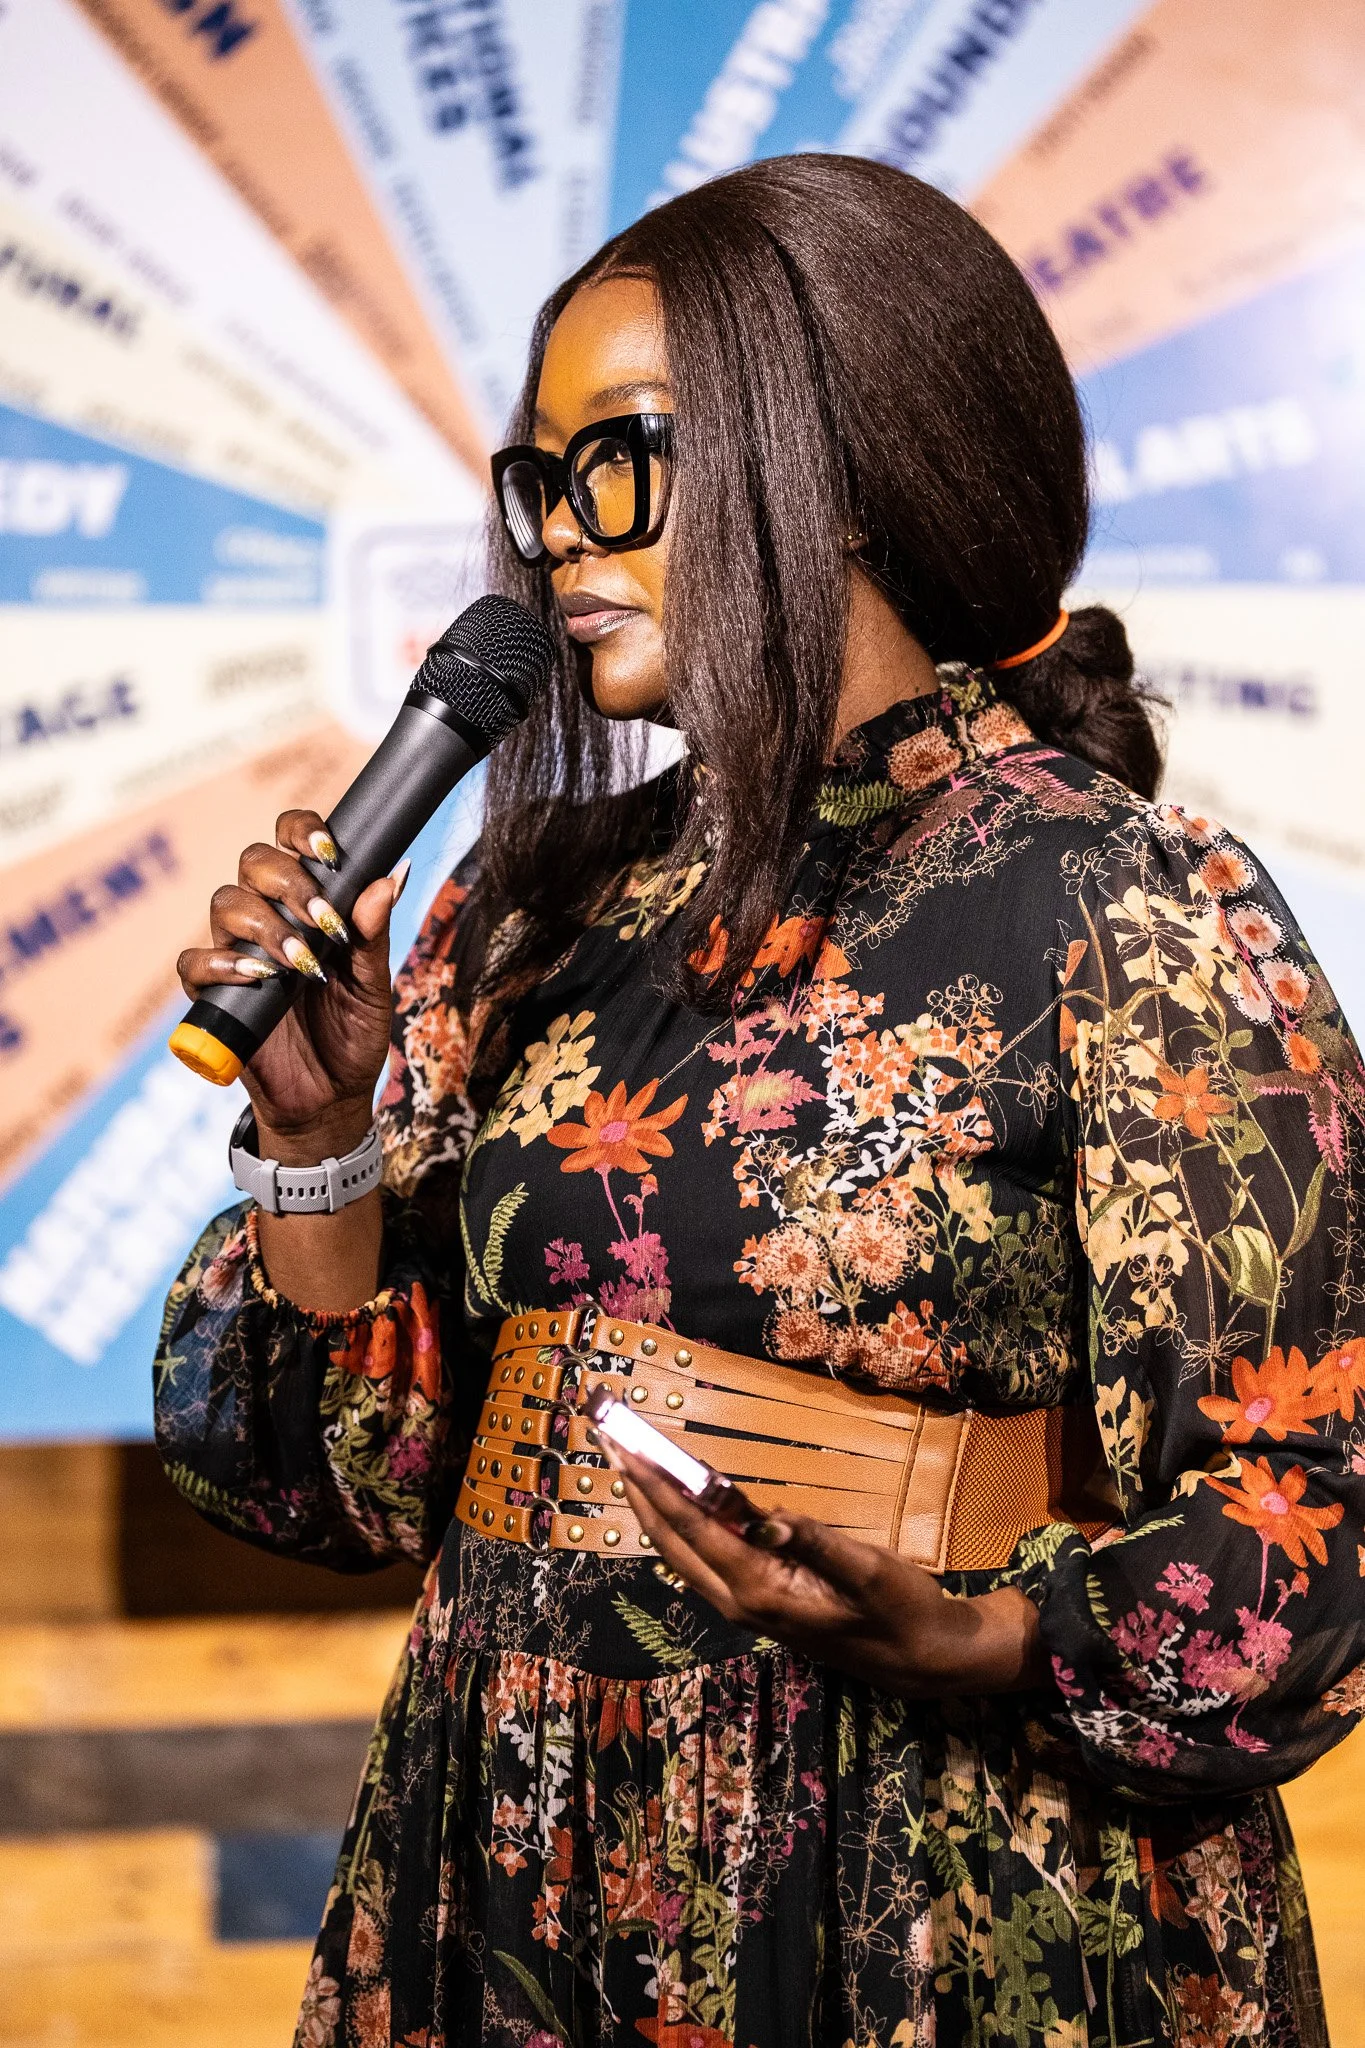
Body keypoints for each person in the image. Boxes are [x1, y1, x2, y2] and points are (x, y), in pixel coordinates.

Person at [158, 155, 1365, 2047]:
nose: (560, 535)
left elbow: (1309, 1510)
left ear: (831, 455)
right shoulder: (524, 900)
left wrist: (991, 1636)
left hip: (934, 1880)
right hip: (516, 1848)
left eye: (616, 462)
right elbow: (360, 1482)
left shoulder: (1127, 902)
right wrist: (320, 1152)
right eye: (540, 480)